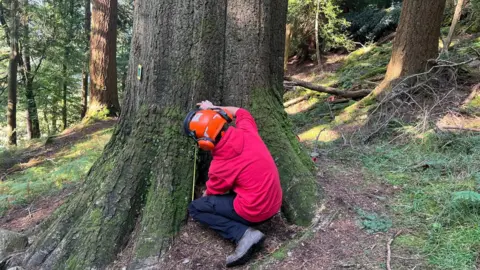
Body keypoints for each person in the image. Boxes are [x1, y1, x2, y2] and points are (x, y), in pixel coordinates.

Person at [183, 100, 283, 267]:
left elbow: (212, 192)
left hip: (256, 210)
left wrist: (205, 193)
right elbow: (241, 112)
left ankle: (244, 234)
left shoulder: (220, 166)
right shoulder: (247, 131)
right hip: (274, 202)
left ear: (205, 142)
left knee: (197, 208)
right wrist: (214, 109)